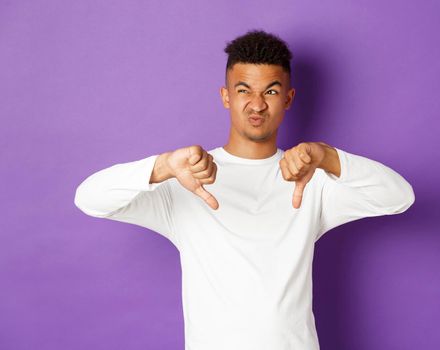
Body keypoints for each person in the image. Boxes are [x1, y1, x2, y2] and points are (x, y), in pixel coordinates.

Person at [74, 29, 415, 350]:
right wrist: (162, 167)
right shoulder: (185, 181)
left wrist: (327, 156)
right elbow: (89, 199)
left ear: (288, 98)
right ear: (225, 96)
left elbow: (399, 197)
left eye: (270, 91)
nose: (256, 104)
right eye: (243, 90)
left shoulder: (312, 181)